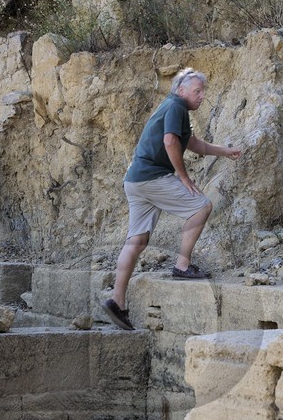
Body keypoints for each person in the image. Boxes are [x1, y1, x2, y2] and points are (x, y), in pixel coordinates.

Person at [102, 68, 242, 331]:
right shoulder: (176, 105)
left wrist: (225, 151)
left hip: (135, 181)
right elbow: (169, 142)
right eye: (197, 91)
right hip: (153, 177)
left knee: (136, 241)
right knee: (202, 206)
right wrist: (184, 177)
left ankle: (117, 302)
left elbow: (195, 144)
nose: (201, 97)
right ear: (181, 90)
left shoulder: (172, 107)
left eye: (203, 92)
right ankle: (182, 265)